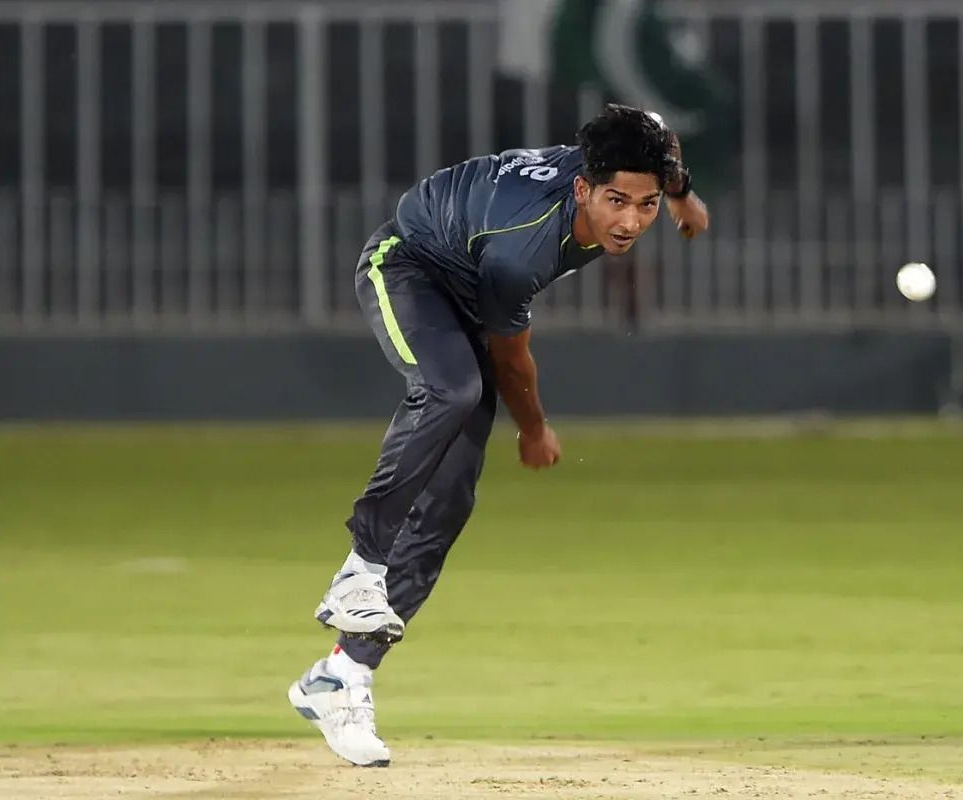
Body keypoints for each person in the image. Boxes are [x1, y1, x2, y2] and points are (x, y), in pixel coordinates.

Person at [287, 104, 710, 767]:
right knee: (452, 390)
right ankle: (361, 568)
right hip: (410, 267)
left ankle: (342, 676)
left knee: (449, 498)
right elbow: (512, 362)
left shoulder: (637, 163)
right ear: (582, 189)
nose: (630, 221)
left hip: (471, 286)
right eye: (616, 202)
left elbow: (661, 139)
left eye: (647, 204)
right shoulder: (524, 247)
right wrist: (534, 430)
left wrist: (683, 200)